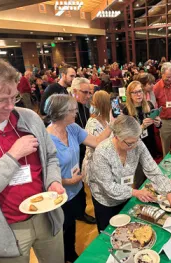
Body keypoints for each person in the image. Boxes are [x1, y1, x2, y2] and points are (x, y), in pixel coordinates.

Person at [0, 56, 65, 262]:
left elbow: (51, 157)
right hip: (5, 229)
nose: (10, 106)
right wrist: (12, 156)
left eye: (14, 97)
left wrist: (53, 181)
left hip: (46, 216)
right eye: (0, 100)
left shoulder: (30, 118)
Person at [88, 115, 171, 232]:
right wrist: (135, 192)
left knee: (127, 232)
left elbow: (153, 170)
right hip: (106, 201)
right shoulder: (102, 152)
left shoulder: (136, 142)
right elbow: (108, 187)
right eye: (130, 143)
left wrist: (170, 196)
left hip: (126, 195)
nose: (134, 146)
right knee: (109, 234)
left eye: (136, 141)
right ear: (117, 137)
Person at [45, 94, 110, 262]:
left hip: (76, 190)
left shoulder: (72, 128)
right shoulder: (46, 139)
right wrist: (66, 181)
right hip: (59, 195)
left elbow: (95, 141)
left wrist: (113, 125)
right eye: (73, 110)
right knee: (62, 229)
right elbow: (43, 175)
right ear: (61, 113)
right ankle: (64, 256)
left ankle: (70, 253)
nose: (76, 113)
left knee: (72, 225)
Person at [123, 81, 162, 187]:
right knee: (139, 181)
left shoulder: (149, 105)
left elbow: (157, 125)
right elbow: (127, 136)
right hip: (135, 149)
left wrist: (158, 123)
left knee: (152, 179)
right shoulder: (126, 111)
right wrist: (142, 127)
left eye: (140, 91)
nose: (138, 94)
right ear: (129, 95)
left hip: (149, 146)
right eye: (134, 92)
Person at [69, 77, 96, 224]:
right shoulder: (69, 109)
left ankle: (80, 210)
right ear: (74, 92)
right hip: (74, 153)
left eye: (89, 92)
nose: (88, 96)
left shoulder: (85, 107)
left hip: (84, 148)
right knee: (76, 183)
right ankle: (79, 213)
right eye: (85, 92)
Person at [83, 90, 113, 184]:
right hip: (96, 167)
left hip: (106, 165)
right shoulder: (92, 123)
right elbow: (98, 146)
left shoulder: (106, 119)